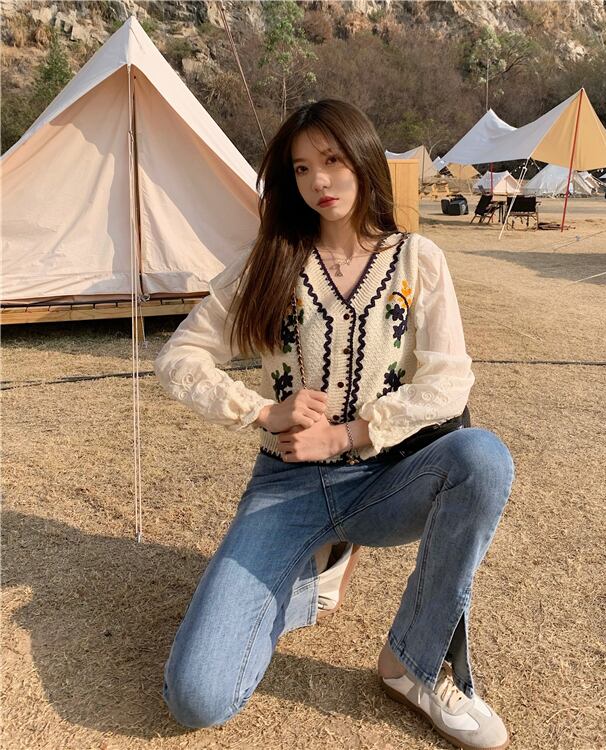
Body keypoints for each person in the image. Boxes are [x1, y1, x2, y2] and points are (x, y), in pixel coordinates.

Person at [153, 99, 515, 750]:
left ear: (363, 159)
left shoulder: (416, 259)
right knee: (197, 697)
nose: (319, 181)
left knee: (482, 459)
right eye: (301, 169)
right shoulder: (270, 262)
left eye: (332, 160)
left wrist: (349, 434)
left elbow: (450, 380)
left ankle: (413, 662)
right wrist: (262, 411)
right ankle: (314, 568)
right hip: (286, 485)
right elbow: (180, 356)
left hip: (385, 481)